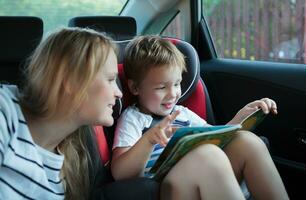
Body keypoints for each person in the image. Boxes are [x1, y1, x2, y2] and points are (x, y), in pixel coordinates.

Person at [111, 35, 289, 200]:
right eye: (161, 87)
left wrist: (242, 115)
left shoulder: (183, 113)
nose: (173, 94)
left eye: (177, 83)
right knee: (208, 154)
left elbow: (216, 137)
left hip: (203, 179)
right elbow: (120, 173)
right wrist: (149, 140)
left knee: (247, 141)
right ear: (135, 88)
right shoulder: (133, 119)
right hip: (166, 189)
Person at [0, 27, 159, 200]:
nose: (119, 93)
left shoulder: (65, 168)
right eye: (111, 80)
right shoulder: (5, 109)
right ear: (72, 82)